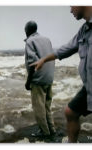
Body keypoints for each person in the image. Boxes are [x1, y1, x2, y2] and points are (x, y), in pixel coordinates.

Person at [30, 6, 92, 143]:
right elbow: (66, 49)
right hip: (89, 86)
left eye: (71, 5)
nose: (70, 10)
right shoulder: (84, 30)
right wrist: (44, 59)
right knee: (70, 112)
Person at [24, 21, 56, 138]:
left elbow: (33, 63)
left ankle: (45, 133)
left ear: (27, 30)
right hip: (49, 77)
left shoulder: (30, 41)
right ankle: (52, 130)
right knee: (47, 106)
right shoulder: (47, 39)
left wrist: (28, 82)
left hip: (38, 79)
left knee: (39, 108)